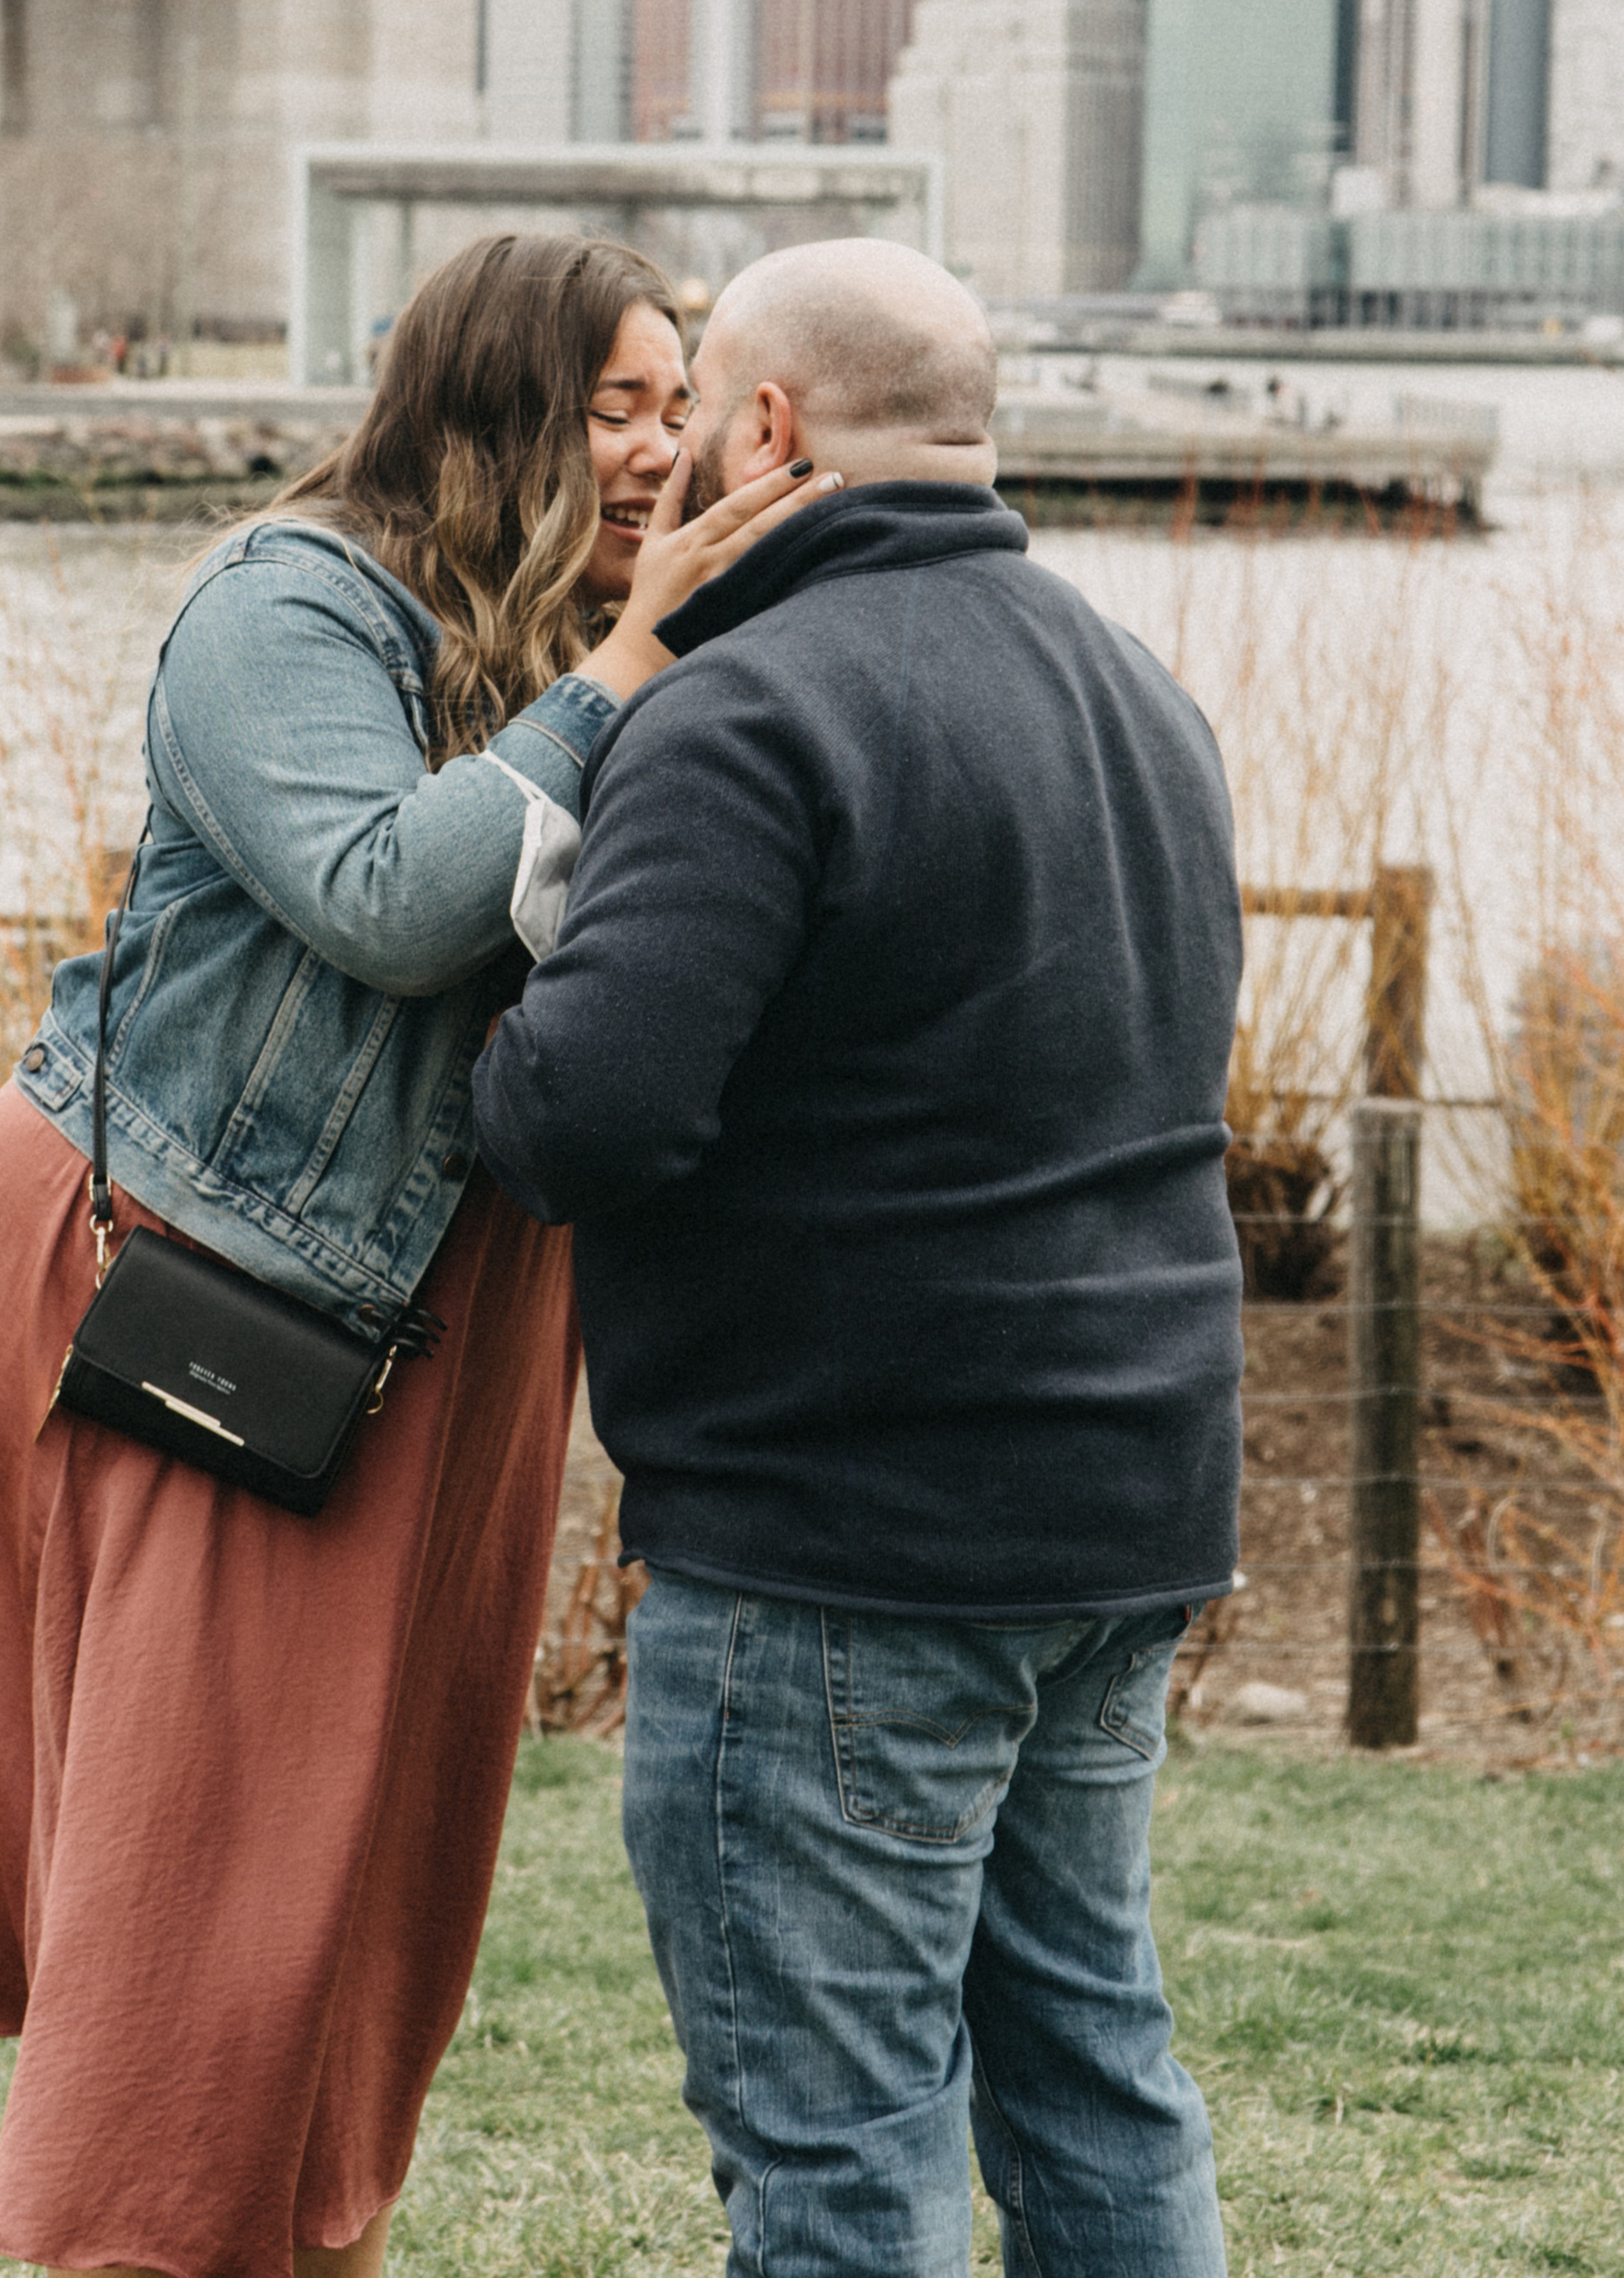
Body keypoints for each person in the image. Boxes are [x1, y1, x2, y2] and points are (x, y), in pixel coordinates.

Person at [0, 229, 828, 2278]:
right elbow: (386, 903)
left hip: (449, 1306)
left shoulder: (582, 627)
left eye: (678, 408)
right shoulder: (290, 602)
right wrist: (624, 676)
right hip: (198, 1279)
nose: (656, 450)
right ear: (487, 402)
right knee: (196, 1907)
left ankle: (304, 2233)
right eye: (614, 405)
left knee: (357, 1874)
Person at [473, 237, 1246, 2278]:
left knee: (837, 2151)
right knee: (1093, 2079)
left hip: (841, 1542)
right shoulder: (1136, 698)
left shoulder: (745, 713)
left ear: (772, 427)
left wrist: (470, 1018)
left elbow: (584, 1117)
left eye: (695, 405)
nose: (664, 458)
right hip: (1120, 1507)